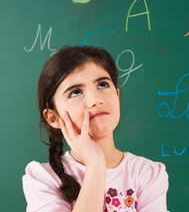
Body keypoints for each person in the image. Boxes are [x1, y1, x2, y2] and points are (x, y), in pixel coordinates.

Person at [22, 46, 169, 212]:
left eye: (103, 84)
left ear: (117, 95)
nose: (95, 100)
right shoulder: (44, 179)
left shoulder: (147, 173)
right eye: (76, 92)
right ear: (53, 117)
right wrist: (95, 163)